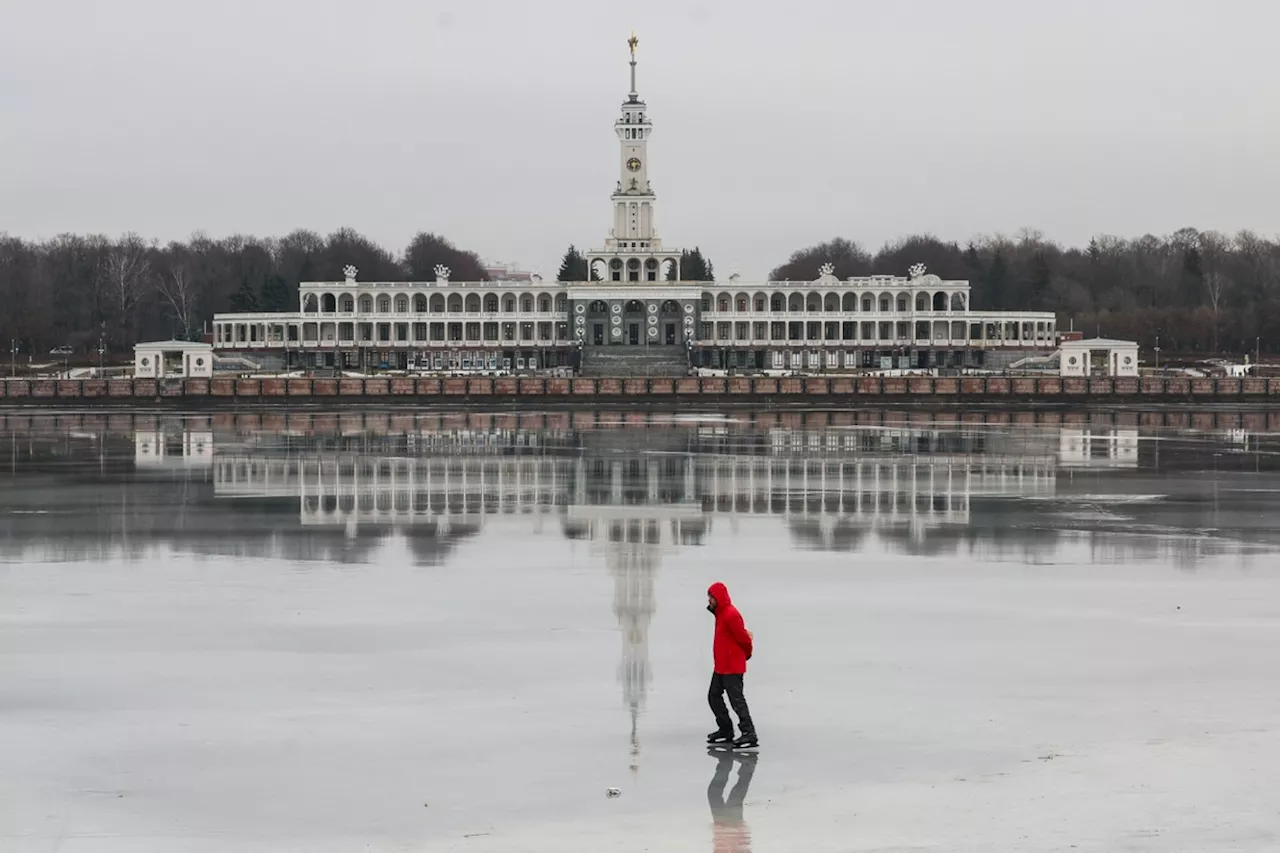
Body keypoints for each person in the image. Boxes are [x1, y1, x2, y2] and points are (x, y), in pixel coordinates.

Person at [705, 582, 756, 748]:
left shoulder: (731, 614)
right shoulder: (720, 614)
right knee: (713, 696)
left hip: (732, 667)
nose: (709, 600)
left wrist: (746, 654)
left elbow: (744, 639)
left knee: (737, 701)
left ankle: (749, 733)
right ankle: (726, 729)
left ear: (718, 597)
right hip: (721, 665)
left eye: (711, 597)